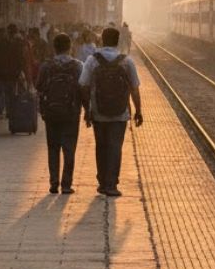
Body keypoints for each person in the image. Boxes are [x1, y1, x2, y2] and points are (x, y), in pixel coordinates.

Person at [79, 27, 142, 197]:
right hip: (120, 113)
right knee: (115, 147)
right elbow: (135, 88)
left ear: (101, 40)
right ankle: (112, 184)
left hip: (98, 112)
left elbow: (83, 85)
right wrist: (138, 111)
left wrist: (87, 109)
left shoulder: (92, 61)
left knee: (101, 146)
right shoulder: (126, 61)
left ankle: (102, 182)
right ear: (117, 41)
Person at [36, 34, 83, 194]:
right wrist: (87, 110)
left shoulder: (46, 66)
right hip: (71, 112)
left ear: (54, 47)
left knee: (53, 147)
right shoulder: (78, 66)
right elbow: (83, 89)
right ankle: (66, 184)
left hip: (51, 112)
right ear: (70, 46)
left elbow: (39, 86)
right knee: (69, 148)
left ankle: (53, 182)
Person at [0, 26, 22, 119]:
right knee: (10, 94)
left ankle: (0, 112)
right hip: (10, 75)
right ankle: (9, 111)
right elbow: (19, 60)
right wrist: (18, 71)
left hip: (0, 74)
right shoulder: (13, 45)